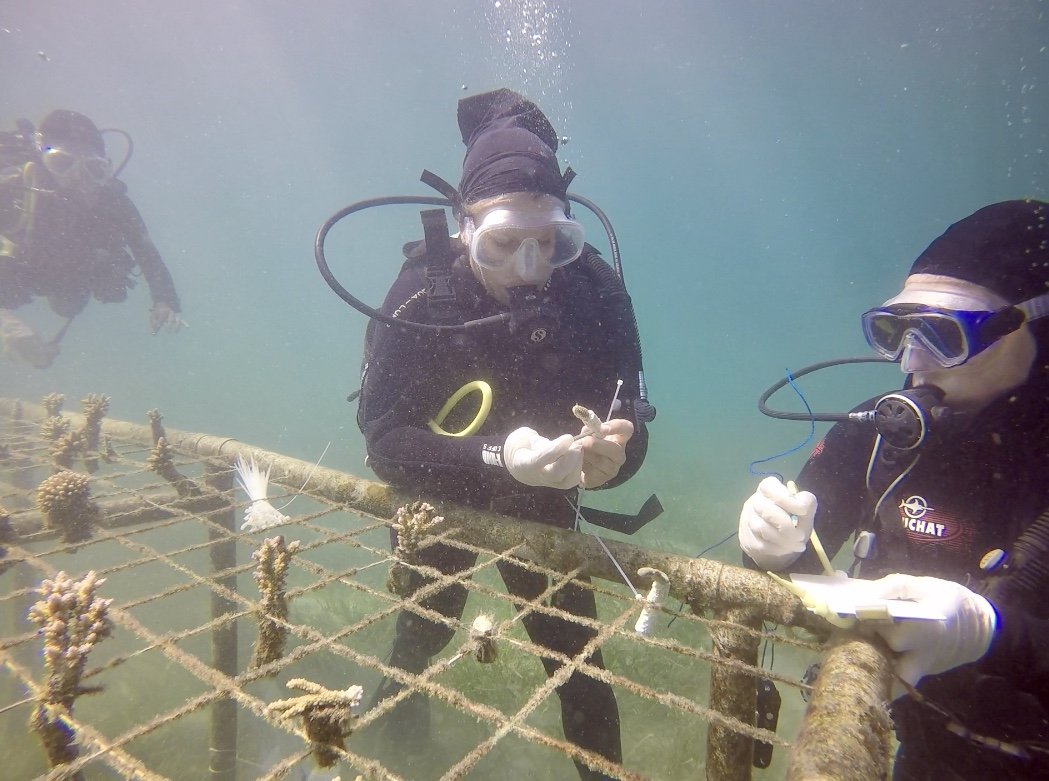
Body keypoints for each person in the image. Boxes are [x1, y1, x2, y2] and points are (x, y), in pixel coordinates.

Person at [356, 88, 652, 780]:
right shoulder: (420, 293)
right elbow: (383, 440)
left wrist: (614, 460)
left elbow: (631, 414)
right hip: (443, 491)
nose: (528, 268)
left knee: (575, 655)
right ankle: (389, 740)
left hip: (543, 495)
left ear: (568, 233)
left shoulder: (595, 292)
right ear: (463, 230)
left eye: (549, 243)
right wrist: (497, 455)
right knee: (426, 623)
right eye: (502, 243)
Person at [738, 199, 1049, 779]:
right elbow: (809, 560)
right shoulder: (885, 432)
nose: (911, 361)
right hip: (919, 743)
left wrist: (989, 632)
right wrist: (776, 548)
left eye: (945, 335)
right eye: (897, 330)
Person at [0, 109, 183, 369]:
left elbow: (147, 253)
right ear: (41, 161)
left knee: (69, 305)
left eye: (94, 169)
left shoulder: (114, 202)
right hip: (21, 269)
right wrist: (7, 326)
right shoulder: (14, 190)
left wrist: (164, 300)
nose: (78, 178)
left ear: (105, 168)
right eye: (63, 164)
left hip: (74, 274)